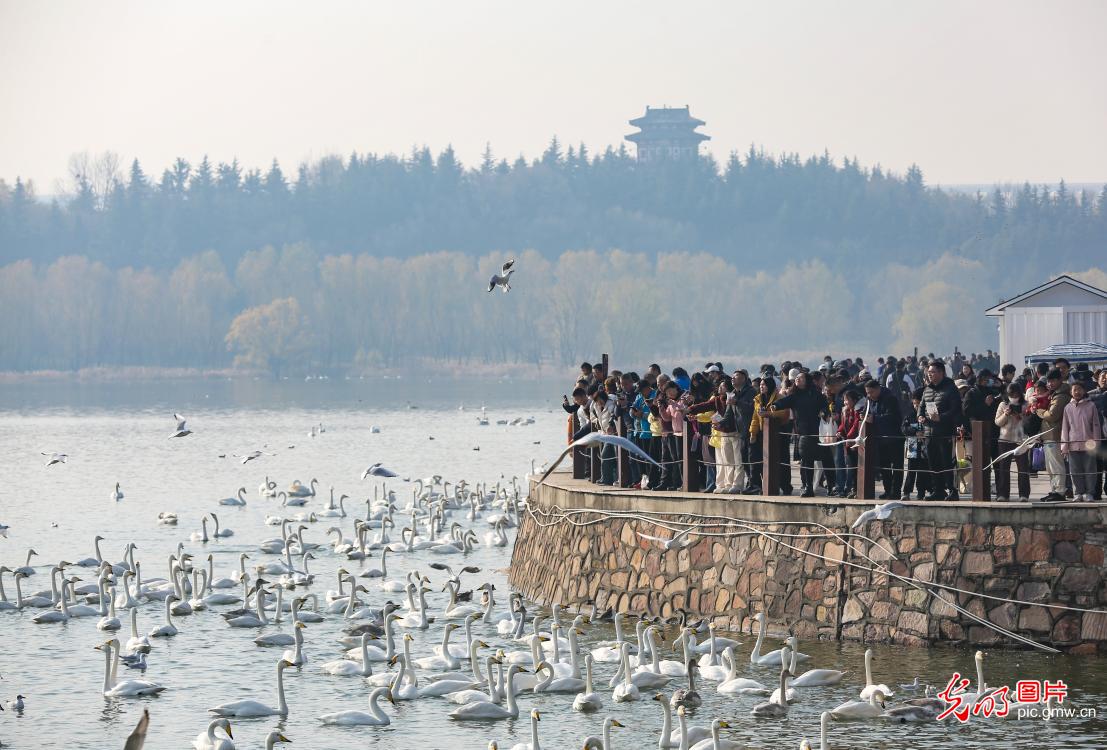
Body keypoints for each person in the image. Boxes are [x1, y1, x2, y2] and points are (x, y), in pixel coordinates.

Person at [769, 370, 825, 497]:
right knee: (805, 461)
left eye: (800, 378)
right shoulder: (795, 395)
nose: (797, 379)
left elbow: (824, 405)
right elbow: (785, 401)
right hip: (802, 433)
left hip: (816, 432)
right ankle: (807, 486)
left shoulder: (816, 394)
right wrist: (776, 405)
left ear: (807, 380)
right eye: (796, 378)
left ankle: (814, 486)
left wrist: (824, 412)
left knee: (815, 461)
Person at [919, 359, 962, 500]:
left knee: (946, 463)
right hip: (929, 432)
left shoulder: (951, 388)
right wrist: (920, 416)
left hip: (944, 432)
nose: (930, 374)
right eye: (928, 372)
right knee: (933, 463)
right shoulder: (927, 389)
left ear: (941, 372)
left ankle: (952, 490)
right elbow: (921, 407)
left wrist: (941, 418)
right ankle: (937, 491)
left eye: (933, 372)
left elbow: (955, 409)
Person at [687, 378, 740, 493]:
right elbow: (705, 406)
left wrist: (719, 423)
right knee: (722, 461)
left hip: (733, 432)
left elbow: (728, 416)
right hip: (721, 432)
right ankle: (722, 485)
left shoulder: (732, 398)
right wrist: (689, 409)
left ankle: (733, 484)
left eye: (722, 386)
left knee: (734, 461)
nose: (719, 388)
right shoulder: (717, 399)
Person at [1061, 379, 1103, 501]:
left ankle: (1089, 492)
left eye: (1079, 389)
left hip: (1089, 444)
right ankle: (1078, 493)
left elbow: (1096, 426)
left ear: (1084, 391)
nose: (1077, 392)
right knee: (1075, 471)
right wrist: (1064, 445)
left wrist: (1097, 443)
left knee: (1090, 470)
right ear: (1071, 392)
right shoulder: (1067, 408)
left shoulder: (1091, 406)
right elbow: (1065, 428)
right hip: (1073, 444)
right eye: (1074, 390)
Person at [863, 378, 904, 499]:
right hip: (879, 439)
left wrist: (874, 419)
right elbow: (867, 412)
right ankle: (887, 490)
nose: (869, 395)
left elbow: (892, 417)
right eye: (867, 393)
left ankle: (896, 491)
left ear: (878, 389)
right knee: (884, 466)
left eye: (871, 392)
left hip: (893, 438)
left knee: (896, 467)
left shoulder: (890, 399)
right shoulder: (869, 400)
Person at [1036, 368, 1072, 503]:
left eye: (1052, 381)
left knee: (1056, 465)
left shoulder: (1061, 395)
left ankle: (1059, 491)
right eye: (1048, 381)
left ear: (1059, 380)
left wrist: (1039, 411)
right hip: (1049, 435)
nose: (1049, 384)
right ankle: (1054, 489)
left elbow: (1052, 415)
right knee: (1051, 466)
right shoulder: (1055, 393)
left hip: (1055, 434)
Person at [994, 383, 1031, 501]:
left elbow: (1029, 423)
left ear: (1020, 394)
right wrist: (1006, 414)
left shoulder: (1026, 404)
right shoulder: (1003, 404)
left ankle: (1024, 495)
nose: (1014, 396)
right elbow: (998, 422)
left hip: (1021, 439)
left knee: (1023, 468)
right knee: (1004, 468)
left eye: (1016, 394)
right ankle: (1003, 494)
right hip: (1004, 439)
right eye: (1011, 394)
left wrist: (1020, 416)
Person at [901, 388, 930, 499]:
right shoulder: (910, 415)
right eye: (914, 404)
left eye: (918, 404)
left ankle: (921, 493)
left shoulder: (926, 415)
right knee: (911, 471)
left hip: (924, 448)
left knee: (922, 471)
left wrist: (924, 432)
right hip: (912, 449)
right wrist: (914, 432)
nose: (915, 406)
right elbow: (904, 428)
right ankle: (907, 492)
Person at [837, 390, 861, 497]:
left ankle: (856, 490)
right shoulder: (846, 411)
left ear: (854, 400)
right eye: (844, 400)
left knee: (856, 468)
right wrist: (839, 431)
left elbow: (856, 425)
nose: (845, 402)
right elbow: (843, 424)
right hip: (848, 443)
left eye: (847, 400)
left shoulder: (858, 410)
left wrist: (849, 438)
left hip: (856, 444)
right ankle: (853, 489)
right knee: (851, 467)